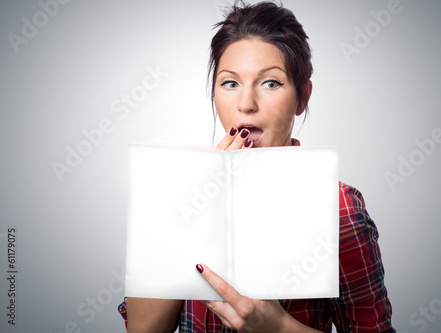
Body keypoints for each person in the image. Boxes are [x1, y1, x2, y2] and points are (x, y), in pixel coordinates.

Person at [119, 1, 395, 332]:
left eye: (270, 83)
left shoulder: (339, 209)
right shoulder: (177, 193)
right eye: (230, 83)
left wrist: (277, 327)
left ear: (302, 97)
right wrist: (185, 213)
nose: (246, 105)